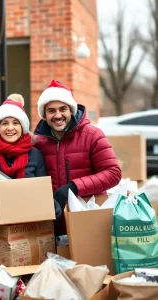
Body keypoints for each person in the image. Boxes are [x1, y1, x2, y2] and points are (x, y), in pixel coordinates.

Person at [34, 79, 122, 235]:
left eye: (63, 109)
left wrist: (74, 187)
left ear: (71, 110)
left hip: (88, 216)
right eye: (51, 111)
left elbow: (113, 173)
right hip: (52, 222)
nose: (58, 115)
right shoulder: (38, 143)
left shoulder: (92, 135)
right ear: (44, 115)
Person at [0, 94, 61, 230]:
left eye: (15, 123)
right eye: (5, 123)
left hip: (30, 226)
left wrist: (52, 204)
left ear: (22, 127)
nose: (10, 128)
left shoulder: (35, 155)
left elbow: (43, 192)